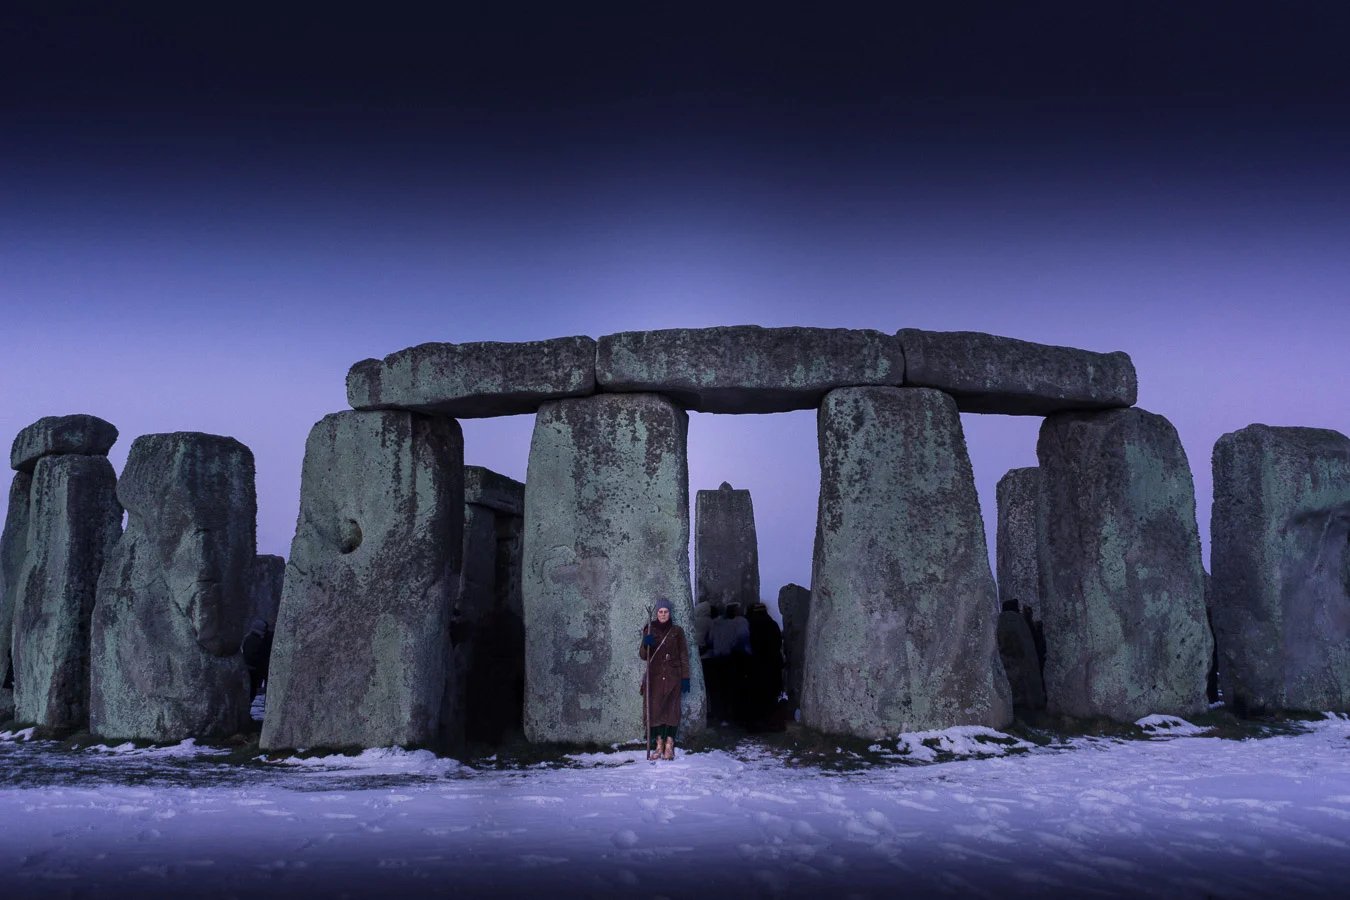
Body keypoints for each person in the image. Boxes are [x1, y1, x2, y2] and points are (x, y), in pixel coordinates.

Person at [639, 597, 690, 760]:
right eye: (660, 612)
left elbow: (683, 655)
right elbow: (642, 656)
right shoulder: (649, 628)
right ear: (657, 613)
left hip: (673, 677)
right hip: (654, 678)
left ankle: (669, 745)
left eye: (665, 612)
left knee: (672, 710)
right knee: (655, 711)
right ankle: (658, 745)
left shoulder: (677, 631)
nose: (662, 614)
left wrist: (685, 677)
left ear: (669, 613)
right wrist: (646, 644)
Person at [745, 602, 784, 731]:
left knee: (755, 693)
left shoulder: (750, 626)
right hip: (772, 664)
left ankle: (756, 720)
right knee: (771, 693)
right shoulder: (773, 625)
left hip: (755, 664)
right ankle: (771, 720)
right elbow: (778, 643)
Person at [240, 617, 274, 702]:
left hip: (253, 668)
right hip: (254, 669)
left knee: (252, 690)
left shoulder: (254, 638)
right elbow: (251, 656)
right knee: (252, 690)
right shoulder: (254, 639)